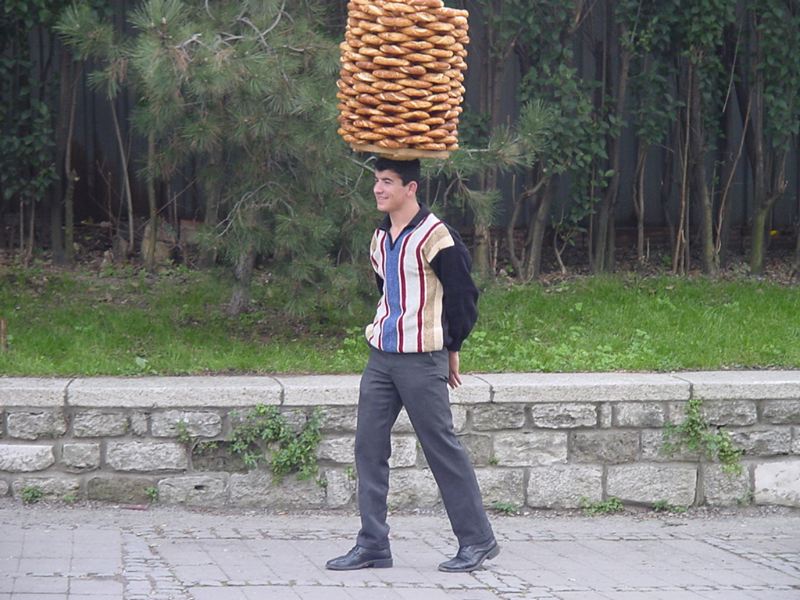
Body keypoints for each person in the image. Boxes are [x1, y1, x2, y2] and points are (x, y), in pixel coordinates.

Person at [326, 157, 498, 573]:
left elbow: (463, 296)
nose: (378, 189)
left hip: (422, 360)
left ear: (411, 188)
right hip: (381, 358)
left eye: (387, 182)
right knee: (368, 447)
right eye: (376, 181)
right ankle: (373, 545)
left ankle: (478, 540)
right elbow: (387, 290)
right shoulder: (379, 237)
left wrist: (452, 346)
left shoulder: (437, 236)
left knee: (441, 448)